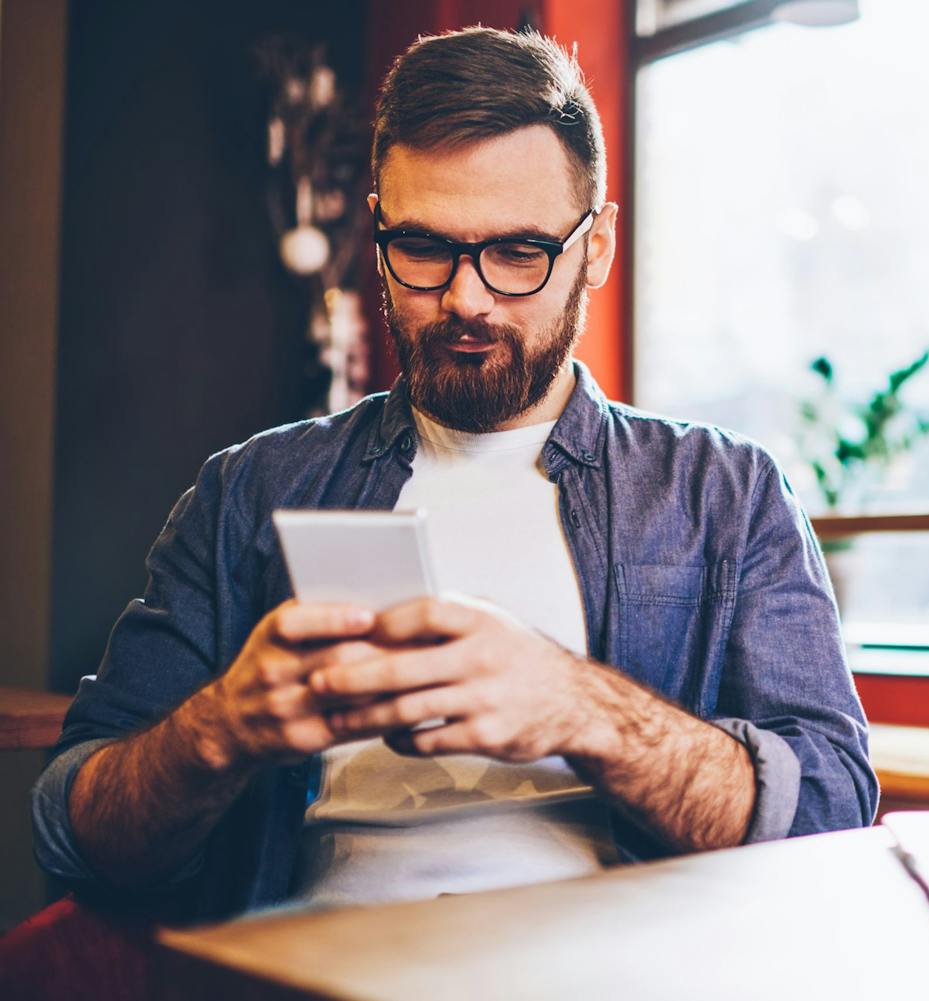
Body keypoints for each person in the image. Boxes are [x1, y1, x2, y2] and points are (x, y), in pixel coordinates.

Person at [31, 26, 876, 921]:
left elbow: (832, 813)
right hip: (313, 965)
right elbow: (72, 829)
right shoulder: (251, 490)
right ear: (379, 228)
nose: (465, 298)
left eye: (518, 252)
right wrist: (223, 727)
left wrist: (580, 707)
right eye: (425, 248)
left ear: (596, 246)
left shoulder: (723, 493)